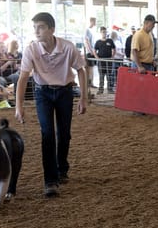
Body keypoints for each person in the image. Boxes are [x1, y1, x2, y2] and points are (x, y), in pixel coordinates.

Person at [15, 12, 88, 197]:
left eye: (40, 27)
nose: (36, 31)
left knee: (64, 134)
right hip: (43, 93)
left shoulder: (68, 48)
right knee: (47, 134)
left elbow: (81, 70)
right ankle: (50, 180)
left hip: (65, 91)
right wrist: (19, 106)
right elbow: (23, 78)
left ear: (51, 29)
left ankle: (62, 167)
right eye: (35, 27)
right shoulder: (31, 49)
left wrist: (83, 98)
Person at [94, 26, 116, 94]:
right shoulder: (98, 42)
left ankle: (110, 89)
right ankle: (101, 89)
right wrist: (97, 58)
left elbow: (114, 49)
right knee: (101, 75)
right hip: (101, 62)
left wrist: (112, 57)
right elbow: (94, 51)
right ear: (100, 32)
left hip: (109, 61)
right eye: (103, 32)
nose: (104, 33)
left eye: (105, 32)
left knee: (109, 75)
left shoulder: (110, 41)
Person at [84, 17, 97, 88]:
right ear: (92, 21)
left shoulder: (91, 30)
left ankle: (91, 83)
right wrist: (91, 51)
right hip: (90, 52)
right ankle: (90, 83)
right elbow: (87, 41)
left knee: (91, 68)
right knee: (90, 68)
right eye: (95, 21)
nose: (95, 23)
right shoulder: (87, 30)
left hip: (92, 51)